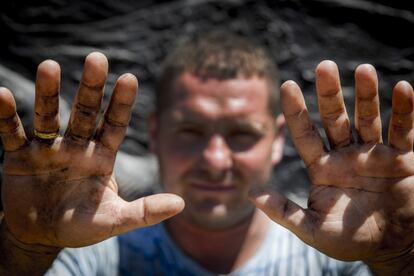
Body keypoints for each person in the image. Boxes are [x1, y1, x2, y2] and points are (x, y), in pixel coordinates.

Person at [0, 31, 414, 276]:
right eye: (191, 131)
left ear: (276, 142)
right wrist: (26, 251)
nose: (216, 160)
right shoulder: (92, 254)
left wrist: (398, 257)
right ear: (156, 135)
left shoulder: (338, 257)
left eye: (241, 135)